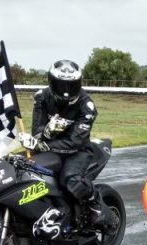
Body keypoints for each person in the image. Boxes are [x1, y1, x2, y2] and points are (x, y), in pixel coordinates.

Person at [19, 59, 110, 228]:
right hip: (50, 148)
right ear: (51, 82)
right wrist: (44, 133)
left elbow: (76, 141)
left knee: (71, 179)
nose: (66, 91)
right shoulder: (41, 97)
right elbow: (36, 130)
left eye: (71, 85)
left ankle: (95, 203)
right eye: (61, 85)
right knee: (19, 167)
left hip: (78, 151)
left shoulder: (87, 106)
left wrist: (44, 145)